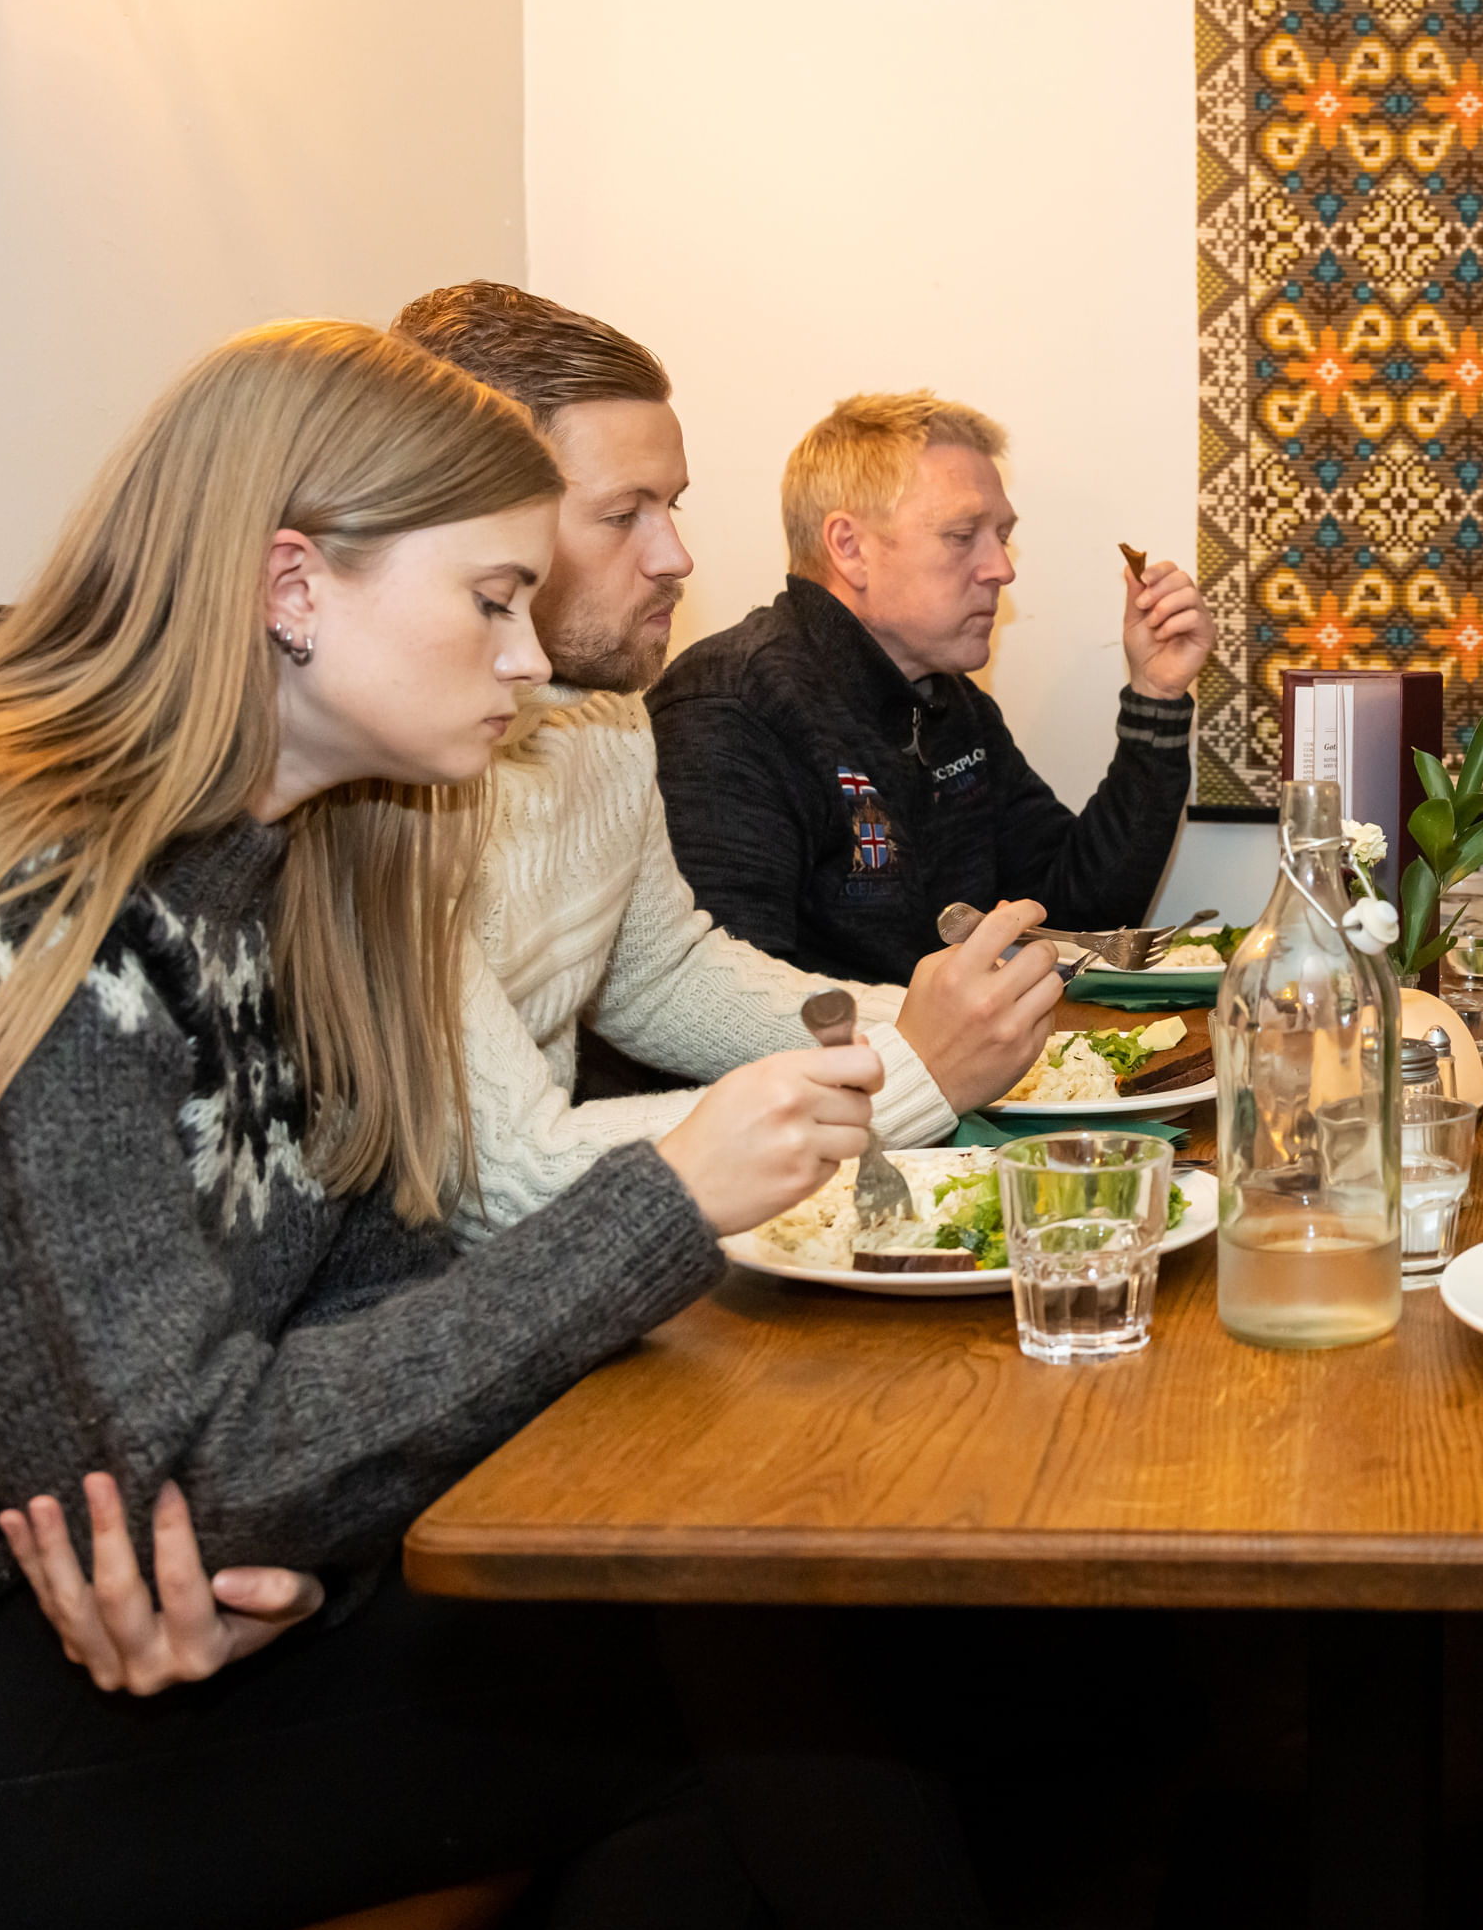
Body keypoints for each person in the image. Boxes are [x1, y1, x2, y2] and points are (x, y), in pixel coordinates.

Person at [0, 323, 889, 1930]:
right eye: (490, 599)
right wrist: (666, 1201)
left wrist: (268, 1519)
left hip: (70, 1601)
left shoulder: (298, 858)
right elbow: (196, 1472)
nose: (532, 659)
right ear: (291, 584)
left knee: (735, 1623)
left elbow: (347, 1317)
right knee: (717, 1714)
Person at [387, 284, 1058, 1232]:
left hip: (559, 1267)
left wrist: (912, 1032)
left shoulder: (604, 720)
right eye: (624, 514)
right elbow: (499, 1170)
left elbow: (662, 973)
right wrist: (912, 1074)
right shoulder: (389, 784)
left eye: (672, 506)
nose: (675, 556)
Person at [651, 390, 1210, 985]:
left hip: (931, 1070)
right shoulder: (728, 713)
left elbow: (1080, 915)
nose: (1002, 567)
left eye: (1002, 535)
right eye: (963, 534)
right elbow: (730, 1004)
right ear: (850, 548)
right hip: (836, 1073)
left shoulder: (949, 704)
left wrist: (1157, 698)